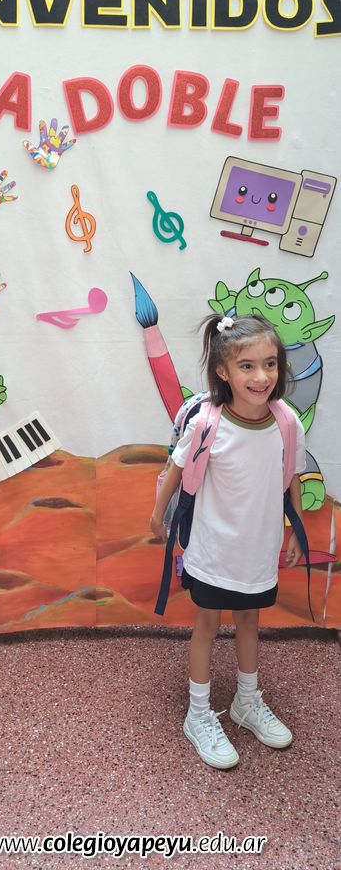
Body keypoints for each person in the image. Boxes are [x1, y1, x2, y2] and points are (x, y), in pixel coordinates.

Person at [150, 313, 306, 769]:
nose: (261, 376)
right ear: (223, 371)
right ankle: (198, 714)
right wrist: (157, 514)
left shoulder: (286, 422)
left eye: (270, 364)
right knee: (206, 625)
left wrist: (296, 529)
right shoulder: (207, 424)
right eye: (247, 366)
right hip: (212, 549)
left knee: (250, 621)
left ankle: (246, 701)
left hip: (258, 549)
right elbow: (177, 469)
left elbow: (291, 477)